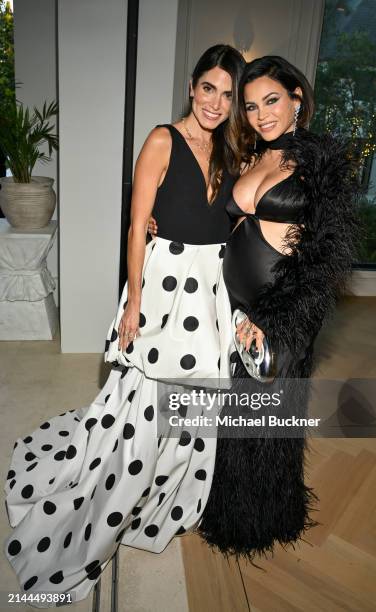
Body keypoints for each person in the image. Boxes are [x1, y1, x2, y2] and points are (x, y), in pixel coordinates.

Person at [3, 44, 245, 606]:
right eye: (207, 88)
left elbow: (231, 224)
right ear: (191, 87)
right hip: (163, 284)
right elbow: (137, 227)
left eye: (227, 94)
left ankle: (168, 491)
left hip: (210, 287)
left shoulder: (234, 148)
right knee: (143, 401)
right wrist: (135, 302)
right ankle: (113, 495)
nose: (215, 102)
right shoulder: (162, 139)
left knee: (196, 399)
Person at [196, 55, 360, 562]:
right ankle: (228, 509)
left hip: (281, 311)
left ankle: (260, 521)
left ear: (297, 99)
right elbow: (225, 228)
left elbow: (325, 258)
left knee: (267, 421)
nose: (261, 114)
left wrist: (275, 321)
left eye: (272, 100)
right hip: (236, 307)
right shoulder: (252, 158)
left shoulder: (320, 162)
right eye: (250, 106)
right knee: (233, 415)